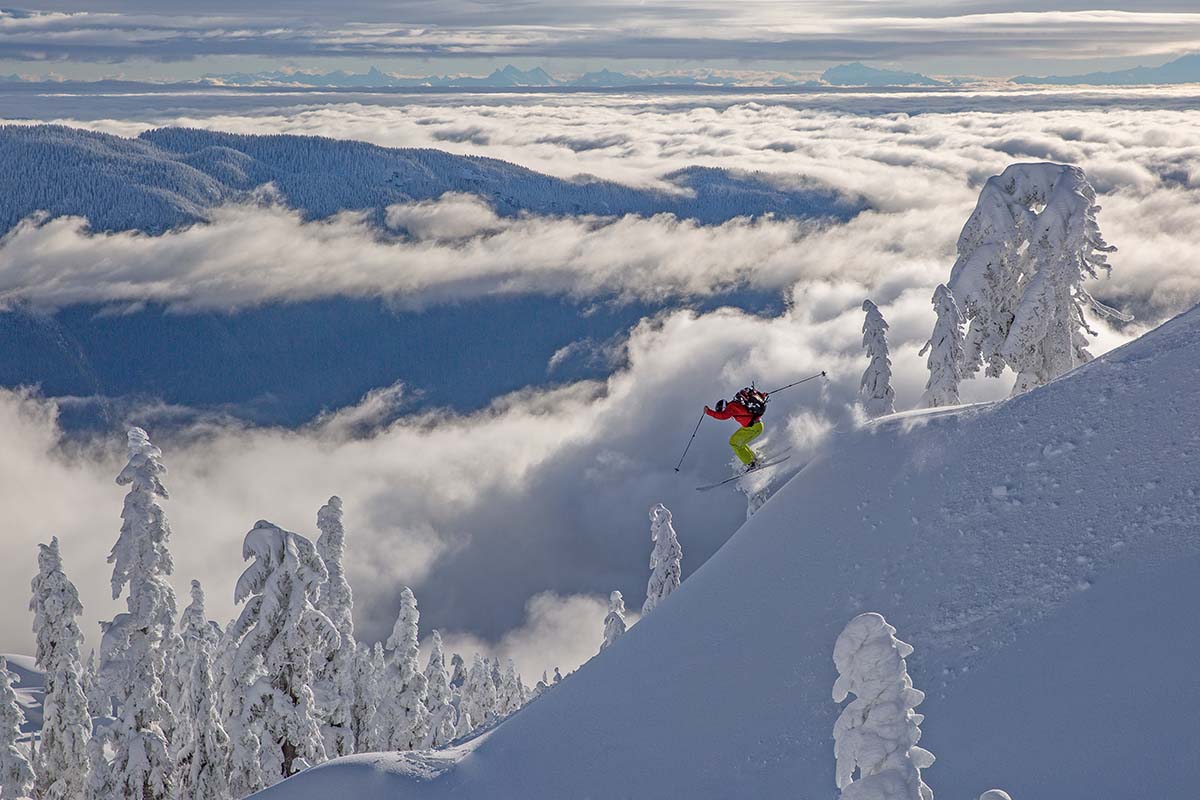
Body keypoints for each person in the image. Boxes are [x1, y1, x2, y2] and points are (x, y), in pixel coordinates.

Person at [704, 386, 769, 469]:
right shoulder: (736, 403)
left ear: (722, 408)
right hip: (754, 426)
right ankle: (753, 460)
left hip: (754, 427)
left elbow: (722, 416)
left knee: (734, 443)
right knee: (736, 441)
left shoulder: (730, 407)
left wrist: (708, 412)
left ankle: (751, 463)